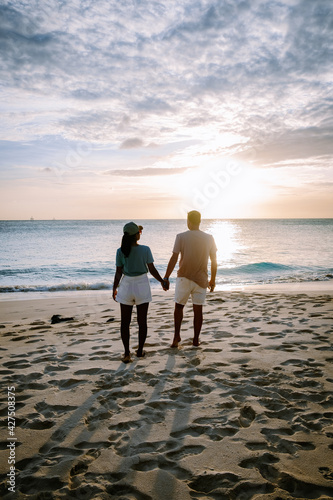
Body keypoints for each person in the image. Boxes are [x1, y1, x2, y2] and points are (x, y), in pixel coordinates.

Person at [113, 222, 168, 363]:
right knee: (142, 321)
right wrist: (162, 281)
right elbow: (152, 269)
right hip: (142, 285)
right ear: (136, 235)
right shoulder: (145, 249)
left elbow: (118, 272)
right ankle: (139, 351)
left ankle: (126, 353)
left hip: (126, 286)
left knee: (125, 322)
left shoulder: (120, 251)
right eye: (139, 232)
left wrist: (114, 288)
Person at [163, 210, 217, 347]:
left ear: (188, 221)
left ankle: (176, 337)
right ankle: (195, 340)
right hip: (201, 279)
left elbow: (174, 258)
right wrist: (213, 280)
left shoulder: (181, 237)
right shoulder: (209, 238)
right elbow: (214, 260)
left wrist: (166, 276)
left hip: (184, 278)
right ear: (200, 221)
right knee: (198, 310)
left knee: (179, 308)